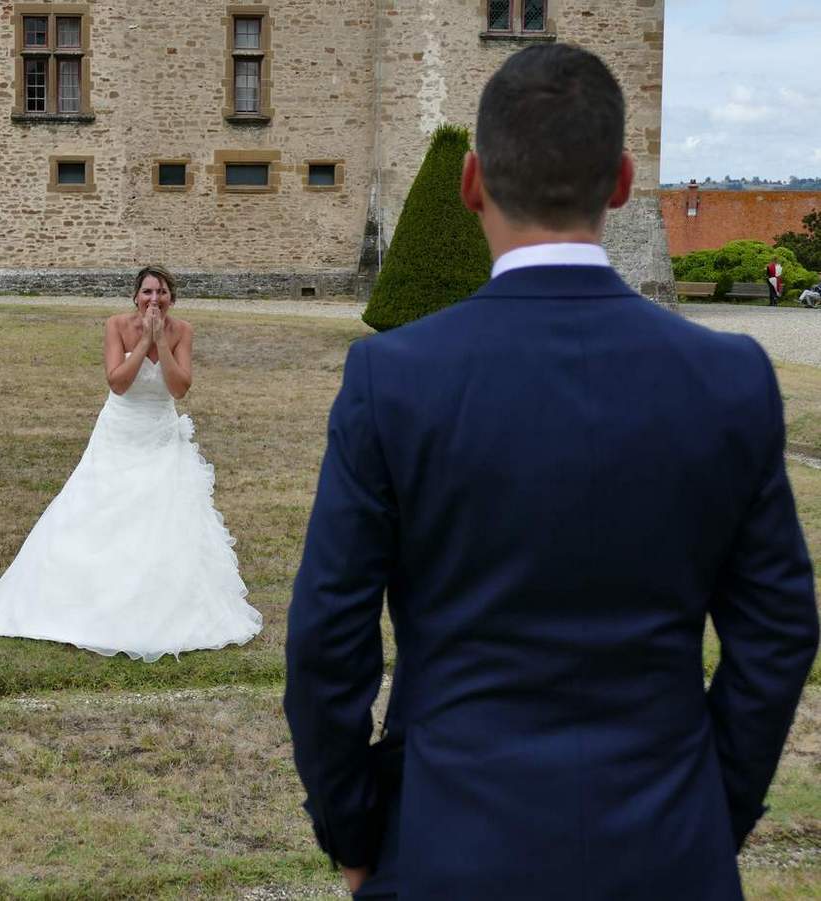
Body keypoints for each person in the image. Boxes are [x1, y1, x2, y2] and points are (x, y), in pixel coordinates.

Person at [284, 44, 817, 900]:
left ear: (467, 183)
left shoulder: (396, 379)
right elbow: (778, 633)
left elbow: (326, 644)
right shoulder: (727, 379)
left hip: (448, 844)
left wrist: (355, 831)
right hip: (668, 849)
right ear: (622, 182)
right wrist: (711, 812)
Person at [0, 265, 262, 660]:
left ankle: (161, 600)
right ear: (136, 296)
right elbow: (118, 383)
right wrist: (144, 343)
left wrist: (163, 343)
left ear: (172, 298)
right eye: (147, 292)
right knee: (98, 510)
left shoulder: (183, 331)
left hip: (160, 432)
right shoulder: (116, 325)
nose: (154, 300)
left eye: (162, 293)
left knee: (164, 514)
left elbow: (180, 387)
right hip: (121, 430)